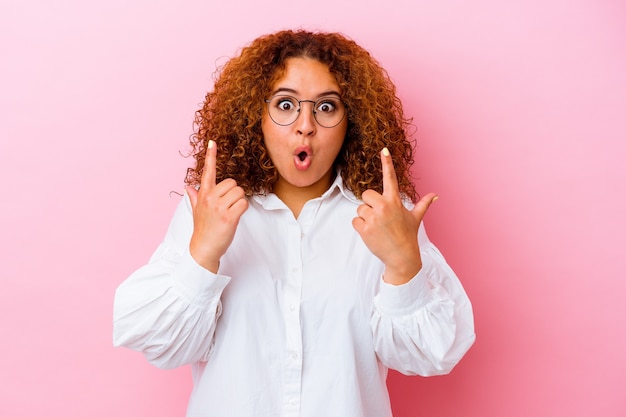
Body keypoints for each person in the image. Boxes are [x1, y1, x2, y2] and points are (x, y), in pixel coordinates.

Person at [113, 29, 475, 417]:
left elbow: (434, 354)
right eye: (285, 105)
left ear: (350, 121)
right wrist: (203, 254)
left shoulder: (387, 216)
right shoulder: (210, 212)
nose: (305, 125)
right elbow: (160, 344)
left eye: (325, 107)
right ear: (257, 116)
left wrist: (405, 266)